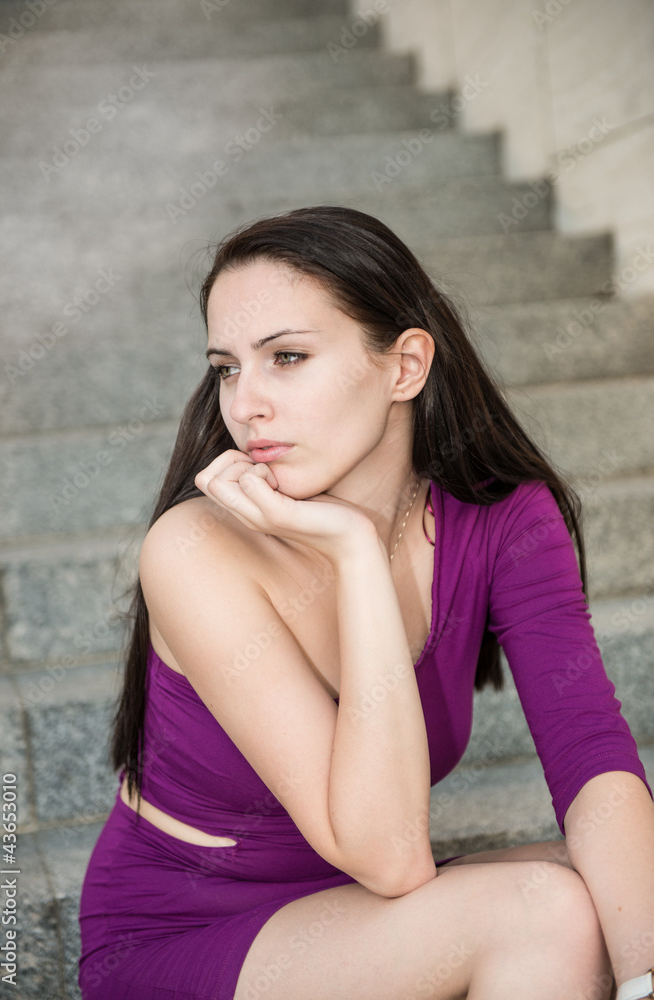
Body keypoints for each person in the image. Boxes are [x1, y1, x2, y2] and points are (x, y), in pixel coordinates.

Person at [78, 205, 654, 1000]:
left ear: (405, 366)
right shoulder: (192, 550)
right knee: (546, 910)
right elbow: (390, 855)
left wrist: (640, 976)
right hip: (185, 933)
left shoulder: (502, 519)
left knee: (625, 883)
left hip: (360, 917)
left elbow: (589, 752)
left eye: (285, 356)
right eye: (225, 367)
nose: (244, 405)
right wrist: (353, 554)